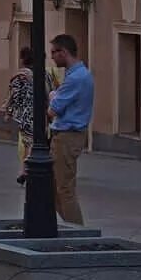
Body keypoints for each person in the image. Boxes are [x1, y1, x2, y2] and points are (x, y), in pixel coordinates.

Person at [0, 46, 53, 185]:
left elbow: (14, 96)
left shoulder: (20, 76)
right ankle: (24, 170)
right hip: (43, 114)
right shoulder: (45, 74)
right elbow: (51, 93)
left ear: (24, 59)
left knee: (28, 141)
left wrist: (8, 113)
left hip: (26, 113)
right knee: (35, 141)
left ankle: (26, 170)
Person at [48, 33, 93, 225]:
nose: (51, 57)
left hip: (67, 136)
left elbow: (53, 109)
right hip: (65, 135)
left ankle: (78, 232)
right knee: (53, 190)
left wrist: (52, 96)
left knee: (64, 189)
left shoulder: (75, 78)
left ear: (63, 52)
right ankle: (70, 228)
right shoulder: (78, 74)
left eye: (53, 53)